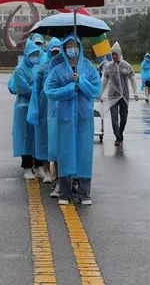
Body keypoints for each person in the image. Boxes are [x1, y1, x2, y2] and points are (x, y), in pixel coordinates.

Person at [45, 35, 102, 206]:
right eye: (68, 46)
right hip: (66, 119)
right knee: (66, 154)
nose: (72, 49)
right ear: (64, 48)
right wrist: (70, 88)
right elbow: (49, 90)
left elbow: (96, 89)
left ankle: (85, 193)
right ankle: (65, 192)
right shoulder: (58, 70)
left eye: (74, 45)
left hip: (84, 119)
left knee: (84, 155)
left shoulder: (88, 68)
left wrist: (81, 81)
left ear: (79, 47)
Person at [28, 38, 62, 185]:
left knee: (59, 139)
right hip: (44, 107)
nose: (55, 54)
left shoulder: (64, 67)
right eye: (53, 52)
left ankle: (59, 173)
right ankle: (47, 170)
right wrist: (35, 109)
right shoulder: (42, 68)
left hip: (60, 107)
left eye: (57, 52)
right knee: (45, 139)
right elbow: (35, 90)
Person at [9, 36, 44, 177]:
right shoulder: (19, 69)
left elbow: (41, 85)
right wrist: (37, 93)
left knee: (38, 136)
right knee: (25, 137)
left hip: (36, 107)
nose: (35, 57)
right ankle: (27, 167)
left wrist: (37, 91)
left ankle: (39, 165)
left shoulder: (38, 68)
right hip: (23, 108)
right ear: (26, 54)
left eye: (37, 54)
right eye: (32, 54)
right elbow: (23, 89)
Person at [101, 43, 137, 147]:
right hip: (112, 95)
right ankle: (117, 137)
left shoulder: (126, 65)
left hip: (124, 95)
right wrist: (101, 93)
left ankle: (121, 132)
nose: (114, 56)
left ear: (119, 54)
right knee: (114, 117)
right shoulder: (108, 66)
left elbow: (133, 79)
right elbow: (105, 80)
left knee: (124, 117)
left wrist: (135, 93)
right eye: (112, 54)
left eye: (116, 54)